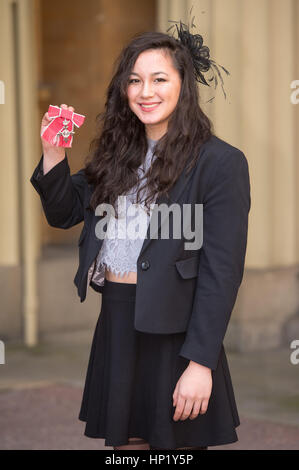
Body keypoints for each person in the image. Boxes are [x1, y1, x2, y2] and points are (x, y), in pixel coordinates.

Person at [30, 24, 251, 451]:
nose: (144, 91)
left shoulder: (221, 163)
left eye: (159, 79)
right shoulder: (116, 154)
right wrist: (53, 152)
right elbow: (63, 213)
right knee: (125, 451)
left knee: (175, 452)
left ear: (183, 86)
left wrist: (200, 362)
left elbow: (222, 272)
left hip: (176, 333)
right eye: (134, 80)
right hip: (117, 320)